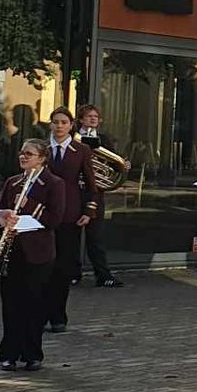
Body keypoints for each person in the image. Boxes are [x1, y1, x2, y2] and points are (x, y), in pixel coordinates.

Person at [0, 139, 67, 371]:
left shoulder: (54, 183)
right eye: (22, 153)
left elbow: (55, 219)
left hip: (38, 253)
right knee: (11, 305)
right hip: (13, 250)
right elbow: (2, 208)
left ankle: (32, 353)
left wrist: (31, 204)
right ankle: (9, 353)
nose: (23, 157)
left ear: (42, 158)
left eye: (29, 154)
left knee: (35, 304)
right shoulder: (13, 182)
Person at [40, 107, 97, 333]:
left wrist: (89, 210)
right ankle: (40, 313)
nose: (59, 126)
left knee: (62, 268)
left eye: (64, 122)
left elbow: (91, 184)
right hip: (43, 213)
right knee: (43, 265)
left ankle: (58, 316)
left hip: (70, 213)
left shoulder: (80, 150)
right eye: (55, 122)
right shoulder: (42, 148)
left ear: (71, 125)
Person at [74, 103, 126, 287]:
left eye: (96, 117)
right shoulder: (73, 138)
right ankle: (73, 273)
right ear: (80, 119)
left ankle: (103, 275)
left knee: (95, 237)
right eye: (89, 116)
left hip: (95, 193)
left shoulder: (103, 139)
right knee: (71, 237)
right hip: (74, 192)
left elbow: (113, 163)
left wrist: (122, 165)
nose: (93, 119)